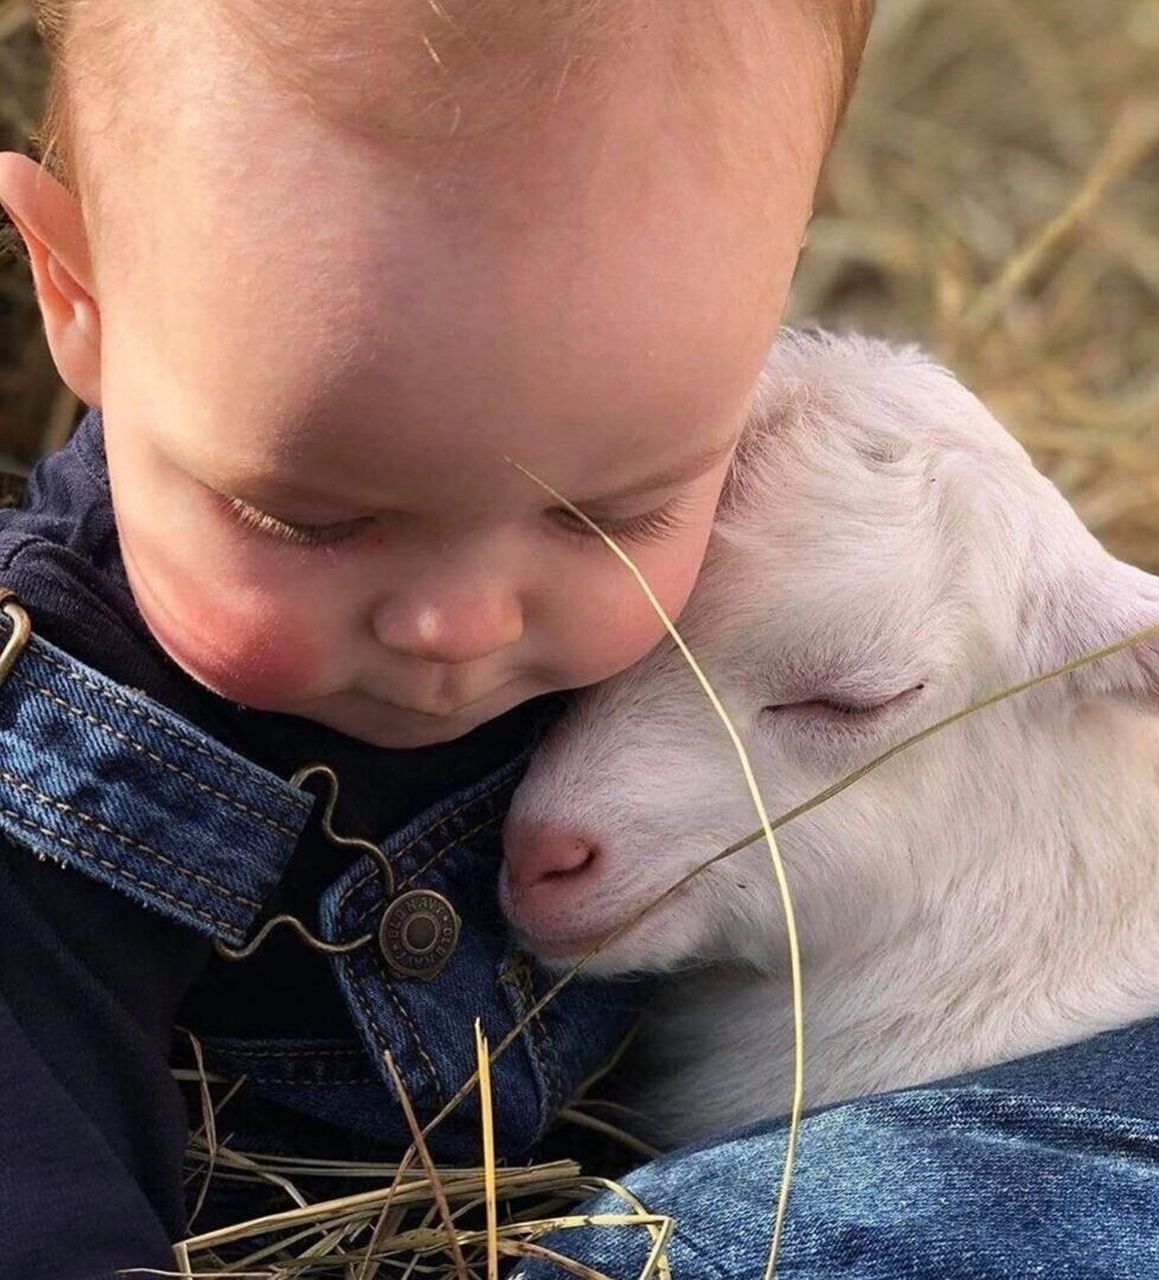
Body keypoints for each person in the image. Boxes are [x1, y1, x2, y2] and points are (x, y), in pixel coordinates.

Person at [0, 0, 873, 1273]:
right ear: (78, 297)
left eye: (611, 515)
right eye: (303, 516)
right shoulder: (51, 772)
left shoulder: (792, 533)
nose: (457, 630)